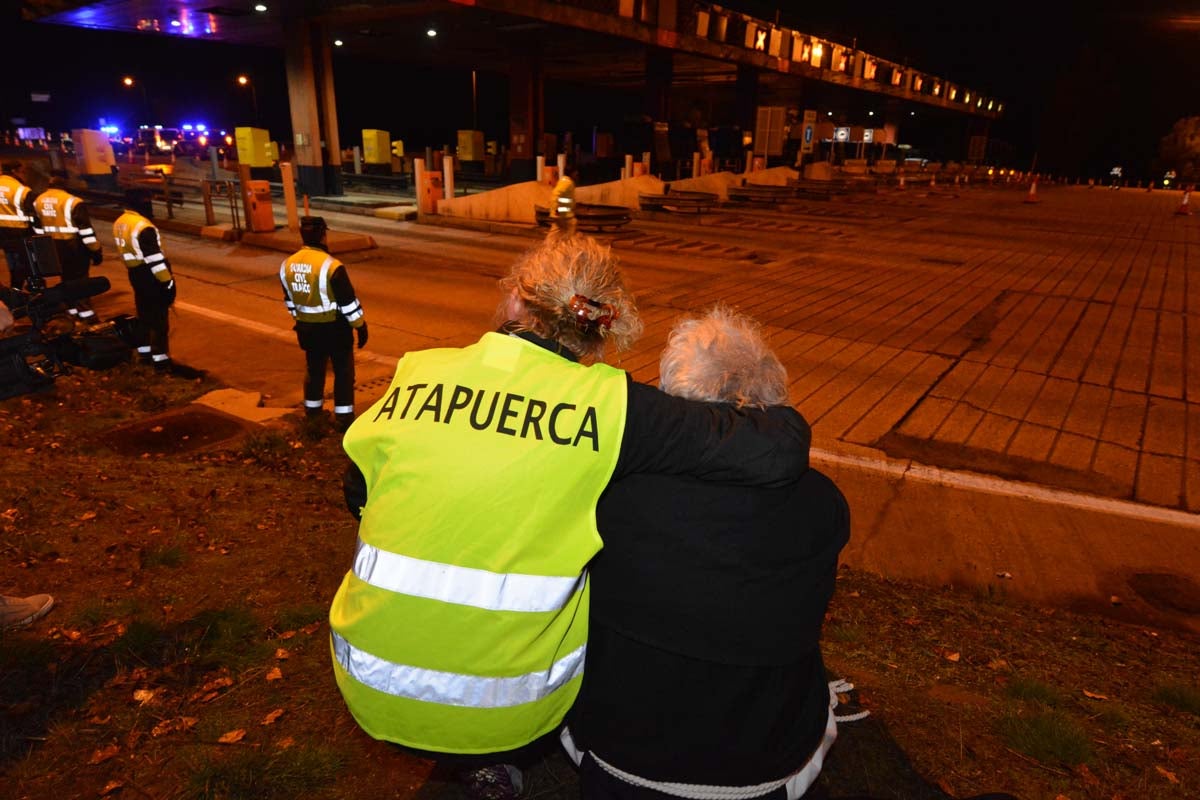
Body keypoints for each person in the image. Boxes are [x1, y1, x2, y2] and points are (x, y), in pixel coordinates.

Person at [331, 231, 811, 800]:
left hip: (365, 670)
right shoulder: (613, 405)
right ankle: (507, 756)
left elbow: (357, 492)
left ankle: (479, 767)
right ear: (604, 328)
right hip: (511, 706)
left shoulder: (419, 371)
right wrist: (781, 413)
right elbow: (775, 452)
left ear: (514, 302)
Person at [562, 305, 849, 800]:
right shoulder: (824, 505)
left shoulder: (610, 496)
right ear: (771, 400)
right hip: (761, 771)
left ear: (673, 401)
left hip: (617, 757)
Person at [279, 216, 367, 431]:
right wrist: (360, 326)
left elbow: (290, 301)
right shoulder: (331, 265)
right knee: (343, 372)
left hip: (307, 330)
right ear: (323, 235)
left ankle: (313, 414)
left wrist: (302, 320)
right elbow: (348, 303)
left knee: (314, 371)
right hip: (335, 329)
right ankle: (344, 419)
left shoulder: (287, 265)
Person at [113, 207, 176, 369]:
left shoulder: (121, 222)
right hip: (150, 275)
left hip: (135, 273)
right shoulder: (143, 226)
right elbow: (154, 259)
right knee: (159, 319)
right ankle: (161, 360)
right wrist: (167, 282)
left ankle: (144, 354)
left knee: (144, 314)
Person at [32, 179, 103, 321]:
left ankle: (70, 310)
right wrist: (95, 250)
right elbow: (86, 231)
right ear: (64, 186)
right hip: (73, 246)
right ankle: (86, 314)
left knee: (65, 278)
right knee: (80, 280)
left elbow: (37, 228)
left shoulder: (38, 201)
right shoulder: (73, 201)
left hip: (52, 246)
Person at [0, 160, 36, 290]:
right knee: (22, 262)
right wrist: (36, 233)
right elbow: (33, 215)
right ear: (14, 172)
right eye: (23, 172)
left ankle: (15, 288)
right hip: (18, 231)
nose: (24, 175)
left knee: (12, 260)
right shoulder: (22, 190)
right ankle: (17, 290)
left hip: (2, 231)